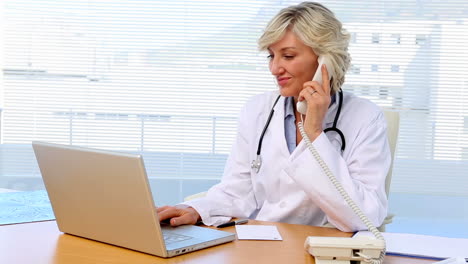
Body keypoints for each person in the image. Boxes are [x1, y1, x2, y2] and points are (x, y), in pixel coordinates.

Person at [157, 1, 390, 232]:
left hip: (321, 248)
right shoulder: (257, 110)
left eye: (287, 56)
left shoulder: (365, 118)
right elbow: (237, 191)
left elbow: (364, 215)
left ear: (325, 60)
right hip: (259, 243)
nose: (274, 68)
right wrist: (196, 209)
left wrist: (315, 134)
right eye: (271, 56)